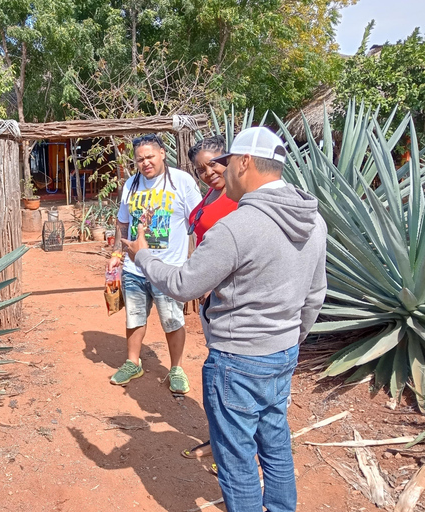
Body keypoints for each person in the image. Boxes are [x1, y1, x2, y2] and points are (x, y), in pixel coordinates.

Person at [123, 127, 327, 512]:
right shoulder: (313, 220)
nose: (222, 171)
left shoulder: (236, 226)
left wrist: (143, 255)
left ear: (245, 162)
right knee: (275, 444)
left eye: (227, 162)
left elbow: (183, 284)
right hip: (282, 352)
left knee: (236, 460)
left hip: (237, 359)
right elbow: (314, 295)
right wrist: (288, 340)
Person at [106, 134, 202, 392]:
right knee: (134, 317)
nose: (145, 162)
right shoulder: (132, 185)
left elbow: (198, 220)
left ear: (162, 153)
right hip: (134, 269)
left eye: (150, 156)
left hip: (168, 270)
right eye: (140, 159)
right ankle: (132, 362)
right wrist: (117, 254)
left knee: (172, 320)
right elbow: (123, 222)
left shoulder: (182, 182)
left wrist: (199, 261)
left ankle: (177, 368)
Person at [182, 134, 238, 461]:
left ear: (229, 159)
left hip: (231, 300)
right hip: (212, 298)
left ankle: (234, 450)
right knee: (220, 372)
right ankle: (221, 441)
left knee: (226, 376)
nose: (209, 172)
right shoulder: (213, 193)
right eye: (201, 168)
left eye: (213, 163)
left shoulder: (241, 197)